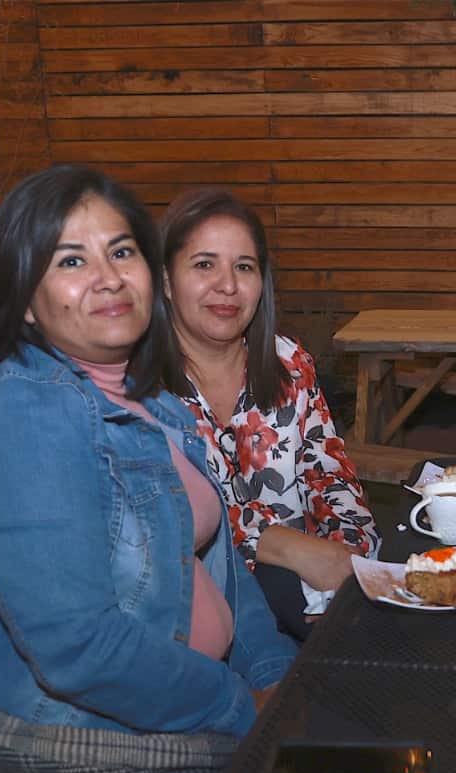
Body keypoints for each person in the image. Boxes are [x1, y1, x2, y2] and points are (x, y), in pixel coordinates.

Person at [0, 165, 297, 773]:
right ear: (25, 300)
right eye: (70, 260)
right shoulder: (19, 422)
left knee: (365, 765)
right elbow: (79, 652)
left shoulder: (153, 403)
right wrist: (237, 709)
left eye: (121, 252)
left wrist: (277, 680)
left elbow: (222, 571)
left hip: (173, 730)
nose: (108, 278)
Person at [161, 188, 379, 641]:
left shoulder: (288, 363)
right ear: (165, 280)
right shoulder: (139, 390)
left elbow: (329, 475)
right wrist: (282, 543)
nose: (228, 285)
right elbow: (168, 522)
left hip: (306, 594)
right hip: (201, 603)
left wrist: (348, 554)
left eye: (244, 266)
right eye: (204, 265)